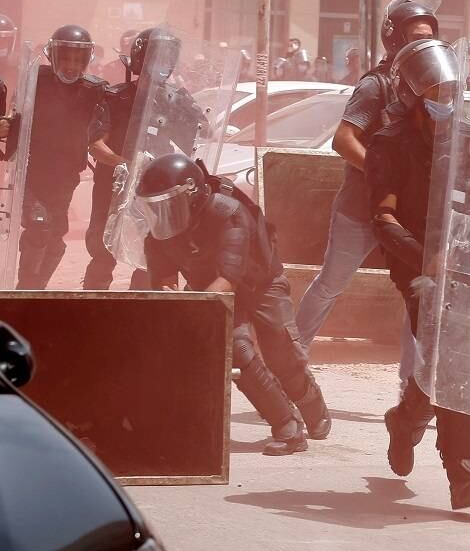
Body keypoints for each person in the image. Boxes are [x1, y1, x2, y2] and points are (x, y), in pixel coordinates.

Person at [370, 39, 470, 510]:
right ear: (411, 94)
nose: (444, 96)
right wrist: (425, 259)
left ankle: (406, 419)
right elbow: (384, 218)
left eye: (449, 87)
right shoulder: (391, 144)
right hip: (419, 269)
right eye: (433, 89)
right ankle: (462, 468)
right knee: (454, 354)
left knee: (446, 357)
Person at [136, 153, 330, 454]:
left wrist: (198, 308)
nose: (161, 214)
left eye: (167, 204)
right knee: (235, 348)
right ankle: (288, 426)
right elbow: (164, 282)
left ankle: (312, 406)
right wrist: (173, 300)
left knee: (281, 352)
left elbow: (229, 277)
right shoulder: (159, 235)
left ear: (193, 194)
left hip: (262, 284)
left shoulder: (229, 213)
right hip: (210, 291)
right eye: (155, 206)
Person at [294, 0, 438, 391]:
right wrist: (382, 175)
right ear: (395, 38)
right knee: (331, 284)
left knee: (417, 295)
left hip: (407, 213)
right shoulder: (377, 85)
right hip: (361, 207)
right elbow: (343, 140)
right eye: (416, 37)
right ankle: (289, 361)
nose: (423, 45)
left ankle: (411, 387)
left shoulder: (431, 89)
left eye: (429, 37)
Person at [83, 28, 208, 290]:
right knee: (102, 250)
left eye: (168, 57)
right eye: (157, 57)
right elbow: (95, 145)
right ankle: (92, 305)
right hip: (115, 184)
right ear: (141, 58)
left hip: (155, 189)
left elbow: (197, 140)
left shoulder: (176, 101)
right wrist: (125, 165)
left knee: (153, 256)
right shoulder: (116, 97)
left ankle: (140, 308)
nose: (163, 64)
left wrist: (197, 119)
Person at [3, 26, 114, 290]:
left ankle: (37, 291)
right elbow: (13, 118)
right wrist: (5, 126)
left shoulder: (94, 92)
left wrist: (123, 161)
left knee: (54, 238)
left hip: (65, 178)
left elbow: (99, 138)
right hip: (31, 172)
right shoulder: (33, 81)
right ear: (52, 56)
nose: (71, 66)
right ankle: (26, 289)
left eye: (77, 59)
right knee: (39, 226)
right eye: (65, 58)